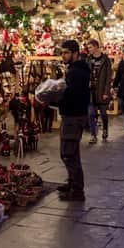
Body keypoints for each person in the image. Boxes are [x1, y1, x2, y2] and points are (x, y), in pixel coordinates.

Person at [56, 40, 90, 201]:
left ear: (75, 53)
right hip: (74, 115)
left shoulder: (76, 73)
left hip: (73, 117)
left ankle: (77, 191)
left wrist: (53, 100)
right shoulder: (76, 70)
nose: (63, 55)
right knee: (72, 153)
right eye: (62, 52)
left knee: (68, 154)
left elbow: (71, 96)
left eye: (66, 52)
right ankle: (72, 183)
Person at [86, 39, 112, 144]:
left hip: (101, 91)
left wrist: (106, 92)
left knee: (104, 114)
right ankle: (93, 135)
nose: (89, 49)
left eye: (90, 47)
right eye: (88, 48)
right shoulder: (88, 59)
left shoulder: (105, 60)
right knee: (91, 114)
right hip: (91, 91)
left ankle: (105, 129)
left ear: (96, 47)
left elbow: (108, 77)